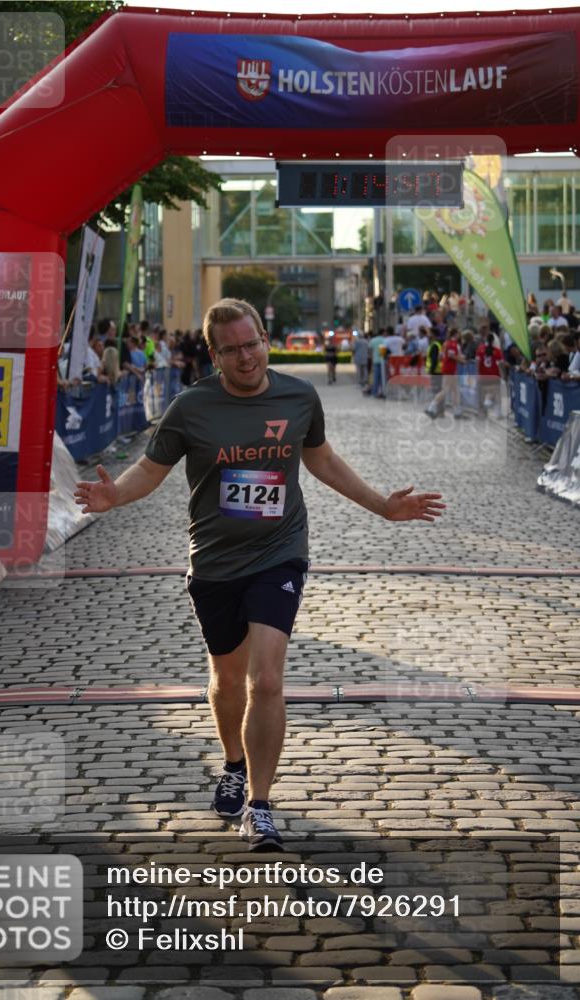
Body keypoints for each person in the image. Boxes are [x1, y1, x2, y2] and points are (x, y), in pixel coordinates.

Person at [75, 298, 445, 851]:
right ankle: (232, 762)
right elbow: (150, 471)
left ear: (265, 339)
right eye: (232, 350)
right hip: (215, 562)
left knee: (266, 678)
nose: (245, 357)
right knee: (227, 679)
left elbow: (320, 458)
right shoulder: (190, 408)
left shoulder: (299, 396)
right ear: (215, 354)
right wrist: (114, 496)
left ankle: (260, 804)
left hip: (279, 551)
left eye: (252, 344)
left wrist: (380, 505)